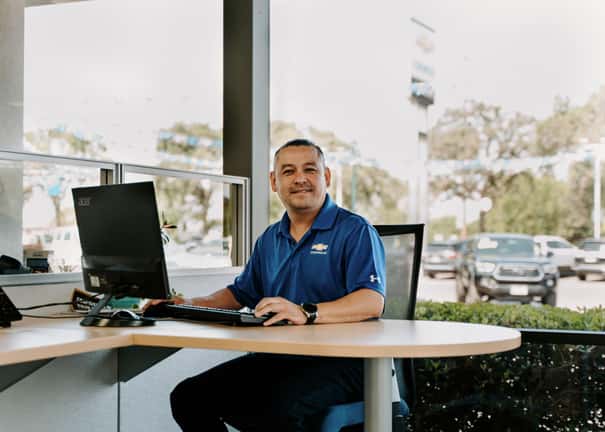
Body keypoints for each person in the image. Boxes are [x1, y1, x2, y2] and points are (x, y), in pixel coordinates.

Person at [168, 139, 386, 432]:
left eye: (310, 169)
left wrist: (306, 312)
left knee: (273, 410)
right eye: (288, 171)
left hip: (344, 362)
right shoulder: (270, 239)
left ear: (327, 177)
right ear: (274, 181)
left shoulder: (355, 230)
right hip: (282, 359)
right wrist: (189, 305)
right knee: (189, 397)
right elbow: (240, 293)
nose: (300, 178)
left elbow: (371, 301)